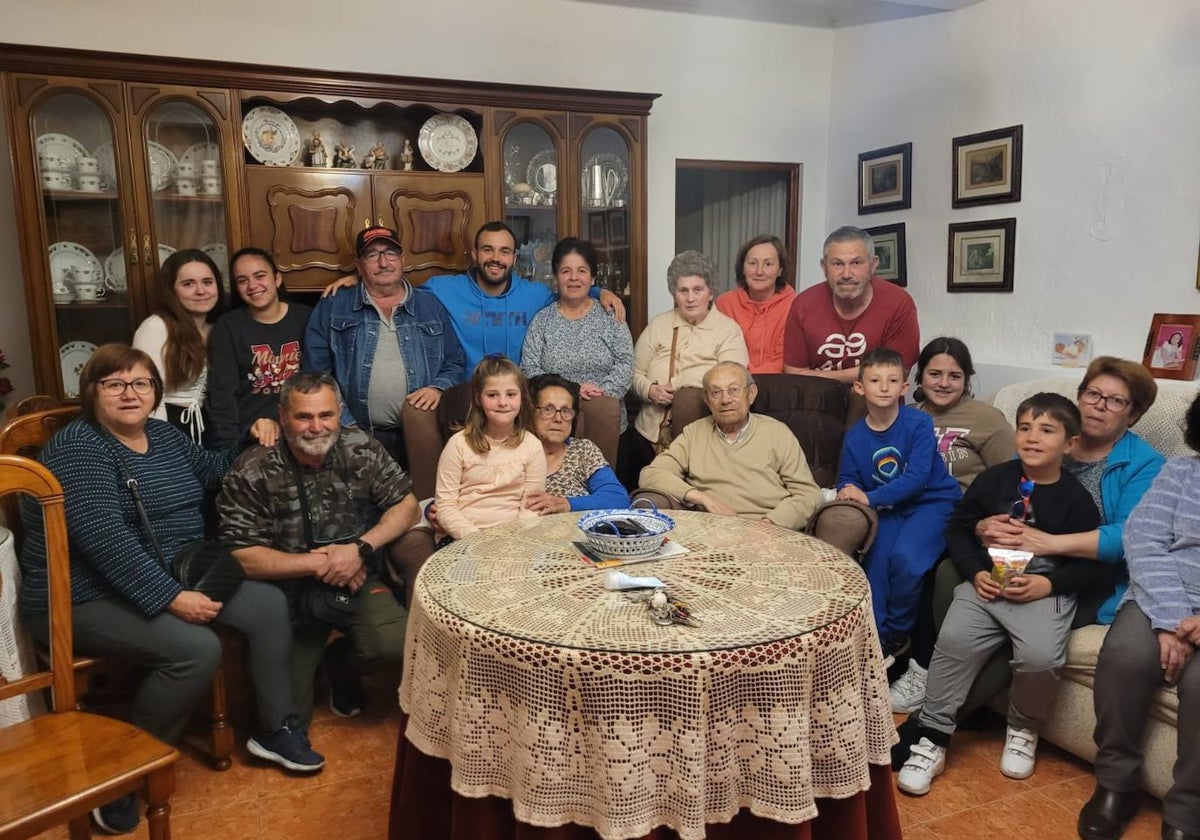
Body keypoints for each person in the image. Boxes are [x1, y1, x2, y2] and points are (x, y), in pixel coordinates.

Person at [19, 344, 323, 834]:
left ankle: (276, 730)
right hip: (82, 594)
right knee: (195, 650)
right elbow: (107, 543)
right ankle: (120, 776)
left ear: (156, 393)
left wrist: (255, 436)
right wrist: (170, 599)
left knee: (266, 604)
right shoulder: (79, 449)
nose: (129, 393)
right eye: (113, 383)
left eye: (140, 383)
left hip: (181, 571)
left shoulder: (162, 435)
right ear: (91, 392)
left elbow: (216, 471)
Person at [896, 394, 1108, 795]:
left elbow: (1089, 565)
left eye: (1047, 430)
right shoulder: (994, 479)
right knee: (954, 641)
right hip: (987, 585)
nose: (1032, 437)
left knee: (1041, 657)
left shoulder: (1076, 500)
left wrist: (1049, 584)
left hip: (1042, 594)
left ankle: (1024, 728)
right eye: (1025, 427)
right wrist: (975, 572)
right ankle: (933, 737)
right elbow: (958, 528)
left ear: (1070, 444)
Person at [218, 371, 421, 725]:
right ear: (282, 416)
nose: (316, 427)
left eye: (325, 415)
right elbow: (241, 556)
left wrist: (359, 549)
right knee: (284, 721)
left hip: (355, 580)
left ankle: (341, 664)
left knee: (400, 643)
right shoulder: (252, 469)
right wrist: (319, 564)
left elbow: (407, 504)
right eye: (303, 416)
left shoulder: (361, 446)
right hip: (287, 595)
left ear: (339, 412)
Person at [1076, 392, 1200, 840]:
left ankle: (1187, 812)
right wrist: (1171, 619)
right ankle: (1115, 785)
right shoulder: (1181, 472)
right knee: (1125, 656)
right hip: (1160, 596)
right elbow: (1143, 541)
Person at [889, 337, 1016, 712]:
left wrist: (985, 521)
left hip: (962, 517)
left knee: (931, 572)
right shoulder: (906, 414)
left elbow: (1010, 477)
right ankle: (888, 654)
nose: (944, 382)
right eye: (935, 374)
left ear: (967, 379)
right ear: (919, 376)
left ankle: (923, 670)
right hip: (910, 510)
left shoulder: (985, 419)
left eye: (954, 375)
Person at [836, 348, 961, 662]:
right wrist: (846, 492)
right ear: (859, 387)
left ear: (904, 388)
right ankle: (874, 638)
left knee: (906, 559)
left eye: (892, 380)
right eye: (875, 380)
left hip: (932, 503)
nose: (883, 387)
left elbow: (918, 477)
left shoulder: (918, 423)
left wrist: (869, 497)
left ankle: (897, 634)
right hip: (890, 510)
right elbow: (848, 479)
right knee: (874, 563)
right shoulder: (855, 438)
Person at [304, 225, 465, 465]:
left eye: (390, 253)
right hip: (356, 435)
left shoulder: (430, 305)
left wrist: (438, 388)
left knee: (422, 501)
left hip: (423, 436)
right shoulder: (334, 305)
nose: (383, 262)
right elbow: (316, 374)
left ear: (402, 260)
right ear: (359, 265)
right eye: (372, 255)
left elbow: (455, 361)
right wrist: (346, 423)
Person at [637, 361, 822, 529]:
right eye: (716, 392)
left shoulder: (778, 433)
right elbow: (651, 474)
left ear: (751, 394)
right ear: (707, 400)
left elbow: (808, 494)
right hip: (708, 529)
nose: (725, 400)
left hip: (767, 530)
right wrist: (702, 498)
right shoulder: (694, 433)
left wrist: (770, 524)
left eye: (734, 390)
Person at [630, 250, 749, 465]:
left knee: (687, 398)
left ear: (711, 292)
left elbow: (733, 379)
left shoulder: (728, 330)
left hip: (707, 436)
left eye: (698, 289)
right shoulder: (658, 325)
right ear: (674, 293)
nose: (690, 298)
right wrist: (650, 390)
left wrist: (680, 381)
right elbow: (633, 373)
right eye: (683, 290)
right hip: (649, 435)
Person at [521, 237, 634, 433]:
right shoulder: (542, 320)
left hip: (604, 415)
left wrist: (601, 392)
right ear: (556, 277)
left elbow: (626, 362)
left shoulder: (610, 315)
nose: (574, 277)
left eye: (582, 271)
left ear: (592, 278)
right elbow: (529, 368)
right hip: (553, 416)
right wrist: (571, 389)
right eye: (566, 271)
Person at [783, 226, 920, 382]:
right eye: (837, 264)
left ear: (873, 264)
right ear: (824, 267)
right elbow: (794, 374)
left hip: (878, 405)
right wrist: (868, 372)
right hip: (816, 404)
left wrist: (819, 377)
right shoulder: (803, 305)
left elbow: (896, 372)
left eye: (856, 263)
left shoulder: (899, 304)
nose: (846, 274)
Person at [206, 247, 311, 450]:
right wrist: (230, 447)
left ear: (277, 279)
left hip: (303, 433)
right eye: (242, 280)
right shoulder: (228, 327)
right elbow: (222, 394)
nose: (252, 285)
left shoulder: (307, 318)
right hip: (252, 438)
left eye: (260, 276)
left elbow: (323, 378)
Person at [434, 355, 547, 539]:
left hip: (517, 538)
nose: (503, 403)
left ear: (521, 397)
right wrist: (478, 540)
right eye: (492, 395)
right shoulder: (458, 444)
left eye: (511, 394)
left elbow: (531, 507)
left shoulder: (532, 446)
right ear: (478, 399)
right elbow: (445, 507)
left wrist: (513, 540)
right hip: (464, 538)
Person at [132, 249, 227, 444]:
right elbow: (146, 393)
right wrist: (160, 444)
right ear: (171, 290)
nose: (201, 291)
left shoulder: (218, 327)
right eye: (188, 284)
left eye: (207, 282)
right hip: (168, 425)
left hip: (208, 426)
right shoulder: (156, 328)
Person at [524, 373, 630, 514]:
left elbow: (618, 499)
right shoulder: (514, 452)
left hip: (579, 532)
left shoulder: (582, 450)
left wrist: (567, 504)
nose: (558, 418)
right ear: (531, 412)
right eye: (548, 409)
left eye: (566, 411)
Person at [714, 234, 796, 374]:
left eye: (768, 264)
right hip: (731, 385)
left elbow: (785, 359)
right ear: (743, 268)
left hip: (777, 386)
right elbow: (715, 351)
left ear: (780, 270)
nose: (759, 271)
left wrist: (748, 377)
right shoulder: (724, 304)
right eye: (752, 263)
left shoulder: (794, 305)